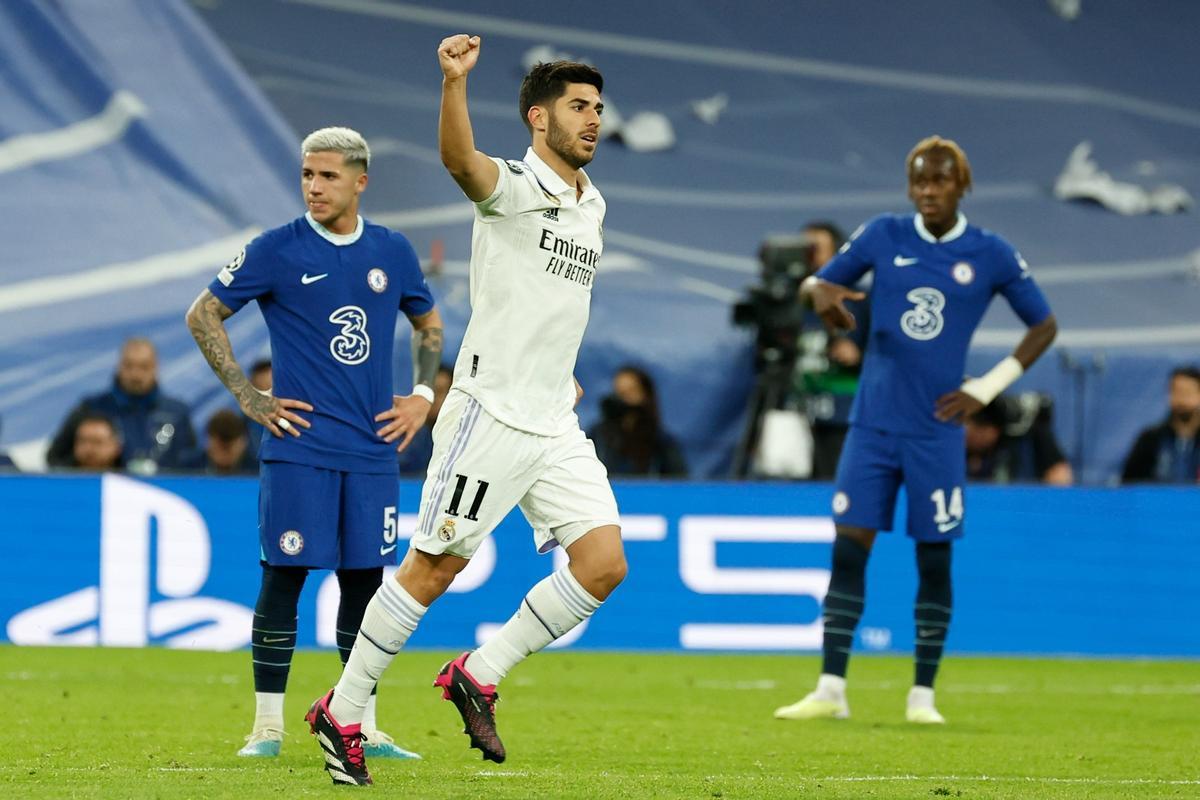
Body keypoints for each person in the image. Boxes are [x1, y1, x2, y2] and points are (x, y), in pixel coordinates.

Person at [305, 38, 626, 786]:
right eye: (579, 107)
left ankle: (479, 674)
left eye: (599, 109)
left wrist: (563, 373)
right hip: (489, 413)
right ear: (538, 117)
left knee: (604, 564)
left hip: (552, 419)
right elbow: (460, 160)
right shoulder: (511, 187)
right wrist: (454, 85)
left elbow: (551, 303)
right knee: (434, 567)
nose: (594, 121)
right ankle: (344, 710)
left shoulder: (593, 205)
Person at [774, 135, 1057, 725]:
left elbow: (1043, 325)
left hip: (936, 431)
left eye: (940, 181)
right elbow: (816, 284)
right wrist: (819, 293)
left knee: (934, 558)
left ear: (962, 185)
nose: (928, 190)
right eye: (920, 181)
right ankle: (831, 688)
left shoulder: (991, 253)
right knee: (848, 549)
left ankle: (922, 694)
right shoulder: (883, 234)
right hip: (873, 425)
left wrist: (988, 386)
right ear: (909, 186)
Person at [185, 126, 443, 760]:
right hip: (299, 446)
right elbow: (203, 313)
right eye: (307, 175)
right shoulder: (276, 249)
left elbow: (428, 322)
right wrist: (249, 396)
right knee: (285, 576)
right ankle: (266, 729)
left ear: (360, 180)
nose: (314, 187)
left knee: (365, 585)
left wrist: (421, 396)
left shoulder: (392, 250)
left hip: (371, 451)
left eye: (328, 176)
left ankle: (361, 724)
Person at [46, 338, 196, 473]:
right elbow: (55, 458)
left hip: (163, 497)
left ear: (156, 367)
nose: (135, 374)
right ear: (119, 366)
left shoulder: (177, 413)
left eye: (144, 366)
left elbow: (193, 464)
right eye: (129, 366)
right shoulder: (91, 408)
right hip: (105, 496)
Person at [795, 221, 869, 479]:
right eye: (804, 249)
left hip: (841, 415)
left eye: (816, 248)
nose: (809, 255)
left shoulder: (856, 299)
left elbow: (886, 354)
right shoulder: (789, 300)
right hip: (794, 413)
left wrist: (857, 354)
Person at [589, 365, 687, 477]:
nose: (623, 399)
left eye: (630, 391)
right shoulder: (598, 435)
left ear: (644, 395)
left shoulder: (659, 439)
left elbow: (679, 479)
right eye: (619, 392)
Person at [964, 394, 1072, 485]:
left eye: (974, 435)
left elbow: (1060, 476)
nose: (968, 439)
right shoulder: (963, 444)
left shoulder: (1031, 433)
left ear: (991, 431)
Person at [1121, 365, 1200, 484]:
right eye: (1176, 391)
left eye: (1188, 392)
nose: (1182, 399)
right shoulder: (1150, 440)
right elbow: (1129, 485)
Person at [397, 364, 454, 477]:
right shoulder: (408, 434)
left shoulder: (457, 438)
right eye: (429, 392)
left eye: (439, 391)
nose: (432, 399)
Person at [183, 409, 257, 475]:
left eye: (228, 449)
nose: (224, 456)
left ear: (243, 443)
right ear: (208, 442)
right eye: (221, 448)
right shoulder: (186, 469)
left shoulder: (259, 470)